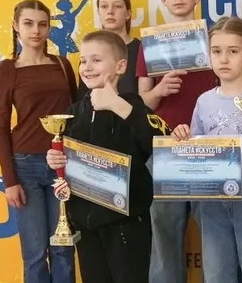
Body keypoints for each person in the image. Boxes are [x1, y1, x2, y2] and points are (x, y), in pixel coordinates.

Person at [172, 16, 242, 283]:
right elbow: (194, 155)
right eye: (216, 51)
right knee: (217, 272)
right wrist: (183, 138)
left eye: (233, 51)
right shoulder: (204, 101)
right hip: (212, 198)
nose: (224, 59)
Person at [46, 30, 161, 283]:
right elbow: (63, 162)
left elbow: (160, 143)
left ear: (121, 66)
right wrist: (54, 161)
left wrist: (117, 105)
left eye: (96, 60)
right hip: (86, 226)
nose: (87, 67)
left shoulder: (132, 107)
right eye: (83, 61)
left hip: (126, 225)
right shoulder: (72, 114)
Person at [136, 0, 217, 283]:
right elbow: (143, 102)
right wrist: (159, 90)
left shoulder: (215, 39)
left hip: (209, 146)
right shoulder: (150, 44)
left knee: (214, 232)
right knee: (164, 233)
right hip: (165, 146)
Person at [0, 0, 77, 283]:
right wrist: (9, 180)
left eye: (43, 24)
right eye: (28, 24)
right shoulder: (7, 70)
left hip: (63, 165)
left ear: (49, 28)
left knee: (63, 248)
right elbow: (1, 127)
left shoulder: (62, 65)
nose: (36, 31)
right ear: (16, 26)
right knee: (35, 253)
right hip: (25, 167)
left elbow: (76, 114)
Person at [77, 0, 142, 99]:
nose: (110, 11)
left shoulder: (142, 50)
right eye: (104, 6)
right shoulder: (89, 52)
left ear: (128, 14)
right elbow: (82, 98)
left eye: (117, 6)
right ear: (98, 13)